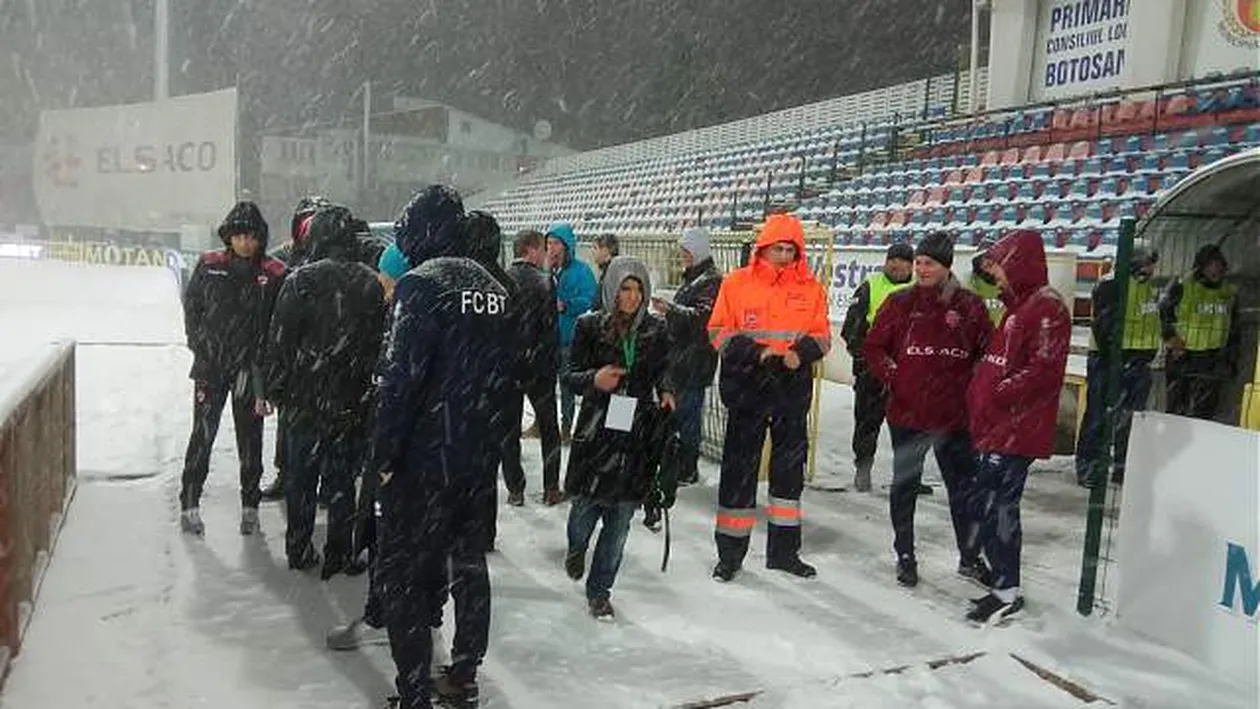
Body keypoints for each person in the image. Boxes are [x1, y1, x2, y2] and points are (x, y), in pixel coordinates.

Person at [371, 186, 514, 709]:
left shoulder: (420, 285)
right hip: (475, 457)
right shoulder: (494, 287)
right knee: (468, 566)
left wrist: (384, 456)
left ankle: (413, 692)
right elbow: (504, 378)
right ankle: (465, 671)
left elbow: (399, 380)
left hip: (425, 459)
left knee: (402, 574)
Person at [861, 232, 993, 588]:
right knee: (904, 486)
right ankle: (905, 554)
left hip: (954, 416)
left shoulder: (969, 306)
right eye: (918, 262)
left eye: (928, 263)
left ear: (946, 266)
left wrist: (973, 388)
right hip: (907, 413)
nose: (920, 268)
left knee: (963, 490)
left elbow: (988, 354)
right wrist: (896, 376)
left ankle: (970, 556)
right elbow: (873, 348)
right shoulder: (899, 302)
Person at [707, 213, 830, 582]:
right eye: (777, 247)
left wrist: (802, 353)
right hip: (748, 388)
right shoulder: (736, 283)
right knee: (738, 473)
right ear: (763, 247)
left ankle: (784, 553)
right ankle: (729, 555)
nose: (783, 255)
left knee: (788, 477)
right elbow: (718, 332)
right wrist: (757, 352)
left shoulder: (812, 288)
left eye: (790, 249)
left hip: (791, 390)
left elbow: (822, 335)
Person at [264, 204, 386, 577]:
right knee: (342, 481)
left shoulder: (300, 280)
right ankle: (340, 551)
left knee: (302, 478)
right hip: (350, 399)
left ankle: (299, 548)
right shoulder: (370, 282)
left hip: (305, 396)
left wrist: (277, 387)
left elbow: (280, 341)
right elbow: (378, 344)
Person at [966, 229, 1071, 624]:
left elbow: (1042, 371)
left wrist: (999, 392)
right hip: (998, 425)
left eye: (997, 265)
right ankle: (1001, 581)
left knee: (1000, 508)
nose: (994, 275)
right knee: (987, 506)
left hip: (1016, 428)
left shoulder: (1045, 307)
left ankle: (1007, 588)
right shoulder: (1018, 306)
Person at [563, 256, 675, 619]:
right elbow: (569, 374)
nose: (632, 297)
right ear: (612, 289)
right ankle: (577, 548)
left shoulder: (656, 330)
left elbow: (664, 370)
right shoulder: (589, 326)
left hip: (636, 434)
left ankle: (600, 591)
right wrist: (594, 378)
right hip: (597, 430)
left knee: (620, 519)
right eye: (625, 288)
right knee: (584, 510)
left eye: (638, 290)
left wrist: (667, 389)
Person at [179, 201, 285, 536]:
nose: (244, 243)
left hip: (249, 374)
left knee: (250, 442)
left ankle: (250, 506)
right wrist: (199, 344)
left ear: (260, 238)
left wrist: (264, 371)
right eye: (238, 236)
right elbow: (192, 307)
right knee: (202, 437)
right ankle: (190, 501)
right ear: (228, 237)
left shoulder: (273, 273)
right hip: (210, 369)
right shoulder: (209, 265)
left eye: (251, 237)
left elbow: (277, 325)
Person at [261, 194, 330, 502]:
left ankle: (325, 484)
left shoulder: (332, 258)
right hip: (295, 353)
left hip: (326, 352)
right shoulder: (284, 257)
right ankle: (286, 474)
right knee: (289, 425)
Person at [1075, 241, 1160, 487]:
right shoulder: (1111, 284)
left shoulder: (1147, 288)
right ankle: (1089, 466)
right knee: (1099, 415)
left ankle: (1122, 467)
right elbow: (1103, 326)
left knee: (1130, 418)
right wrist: (1116, 358)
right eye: (1147, 262)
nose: (1152, 268)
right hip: (1108, 358)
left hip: (1139, 360)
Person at [651, 226, 723, 490]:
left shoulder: (712, 281)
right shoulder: (695, 278)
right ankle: (678, 463)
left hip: (696, 360)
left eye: (686, 251)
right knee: (679, 416)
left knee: (689, 417)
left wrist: (671, 310)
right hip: (683, 358)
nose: (683, 256)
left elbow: (702, 320)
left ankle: (688, 467)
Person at [840, 242, 913, 492]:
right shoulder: (870, 286)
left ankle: (908, 476)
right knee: (867, 424)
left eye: (903, 260)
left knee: (909, 429)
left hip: (909, 374)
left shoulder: (921, 290)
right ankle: (863, 469)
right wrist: (866, 361)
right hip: (873, 371)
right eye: (893, 259)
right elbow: (851, 330)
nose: (897, 264)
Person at [502, 230, 563, 506]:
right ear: (530, 250)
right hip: (539, 367)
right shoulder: (544, 282)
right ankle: (551, 487)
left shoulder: (500, 280)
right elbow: (550, 329)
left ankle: (515, 488)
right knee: (550, 429)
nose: (545, 255)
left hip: (509, 367)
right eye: (542, 249)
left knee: (509, 429)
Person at [1160, 244, 1240, 422]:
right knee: (1177, 408)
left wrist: (1231, 358)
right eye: (1211, 266)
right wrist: (1171, 339)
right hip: (1183, 354)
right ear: (1201, 267)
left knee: (1205, 411)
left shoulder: (1229, 292)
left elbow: (1235, 327)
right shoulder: (1183, 286)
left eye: (1219, 267)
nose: (1216, 271)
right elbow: (1164, 313)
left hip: (1213, 356)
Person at [546, 222, 599, 443]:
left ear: (567, 246)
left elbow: (589, 300)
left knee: (567, 385)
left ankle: (567, 427)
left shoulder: (581, 271)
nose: (551, 248)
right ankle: (545, 425)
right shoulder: (547, 270)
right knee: (547, 385)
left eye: (556, 243)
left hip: (570, 338)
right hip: (550, 339)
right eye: (548, 243)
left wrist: (566, 305)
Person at [589, 233, 619, 311]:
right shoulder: (610, 270)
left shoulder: (611, 273)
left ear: (605, 251)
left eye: (595, 248)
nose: (592, 252)